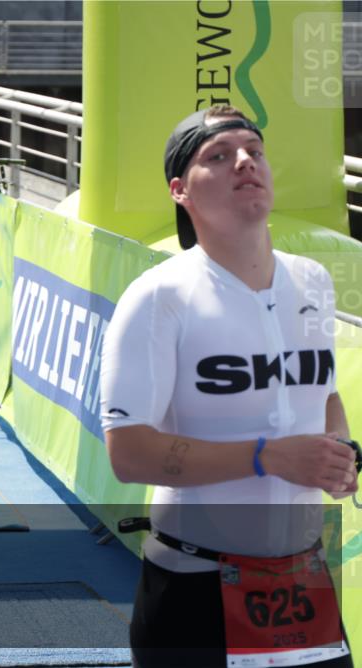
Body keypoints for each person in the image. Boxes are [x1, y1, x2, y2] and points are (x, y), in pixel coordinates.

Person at [100, 104, 357, 667]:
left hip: (303, 582)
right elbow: (129, 452)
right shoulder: (158, 296)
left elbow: (326, 394)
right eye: (218, 156)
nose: (245, 161)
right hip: (196, 587)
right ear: (180, 191)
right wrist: (268, 457)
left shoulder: (312, 279)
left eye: (254, 151)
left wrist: (339, 450)